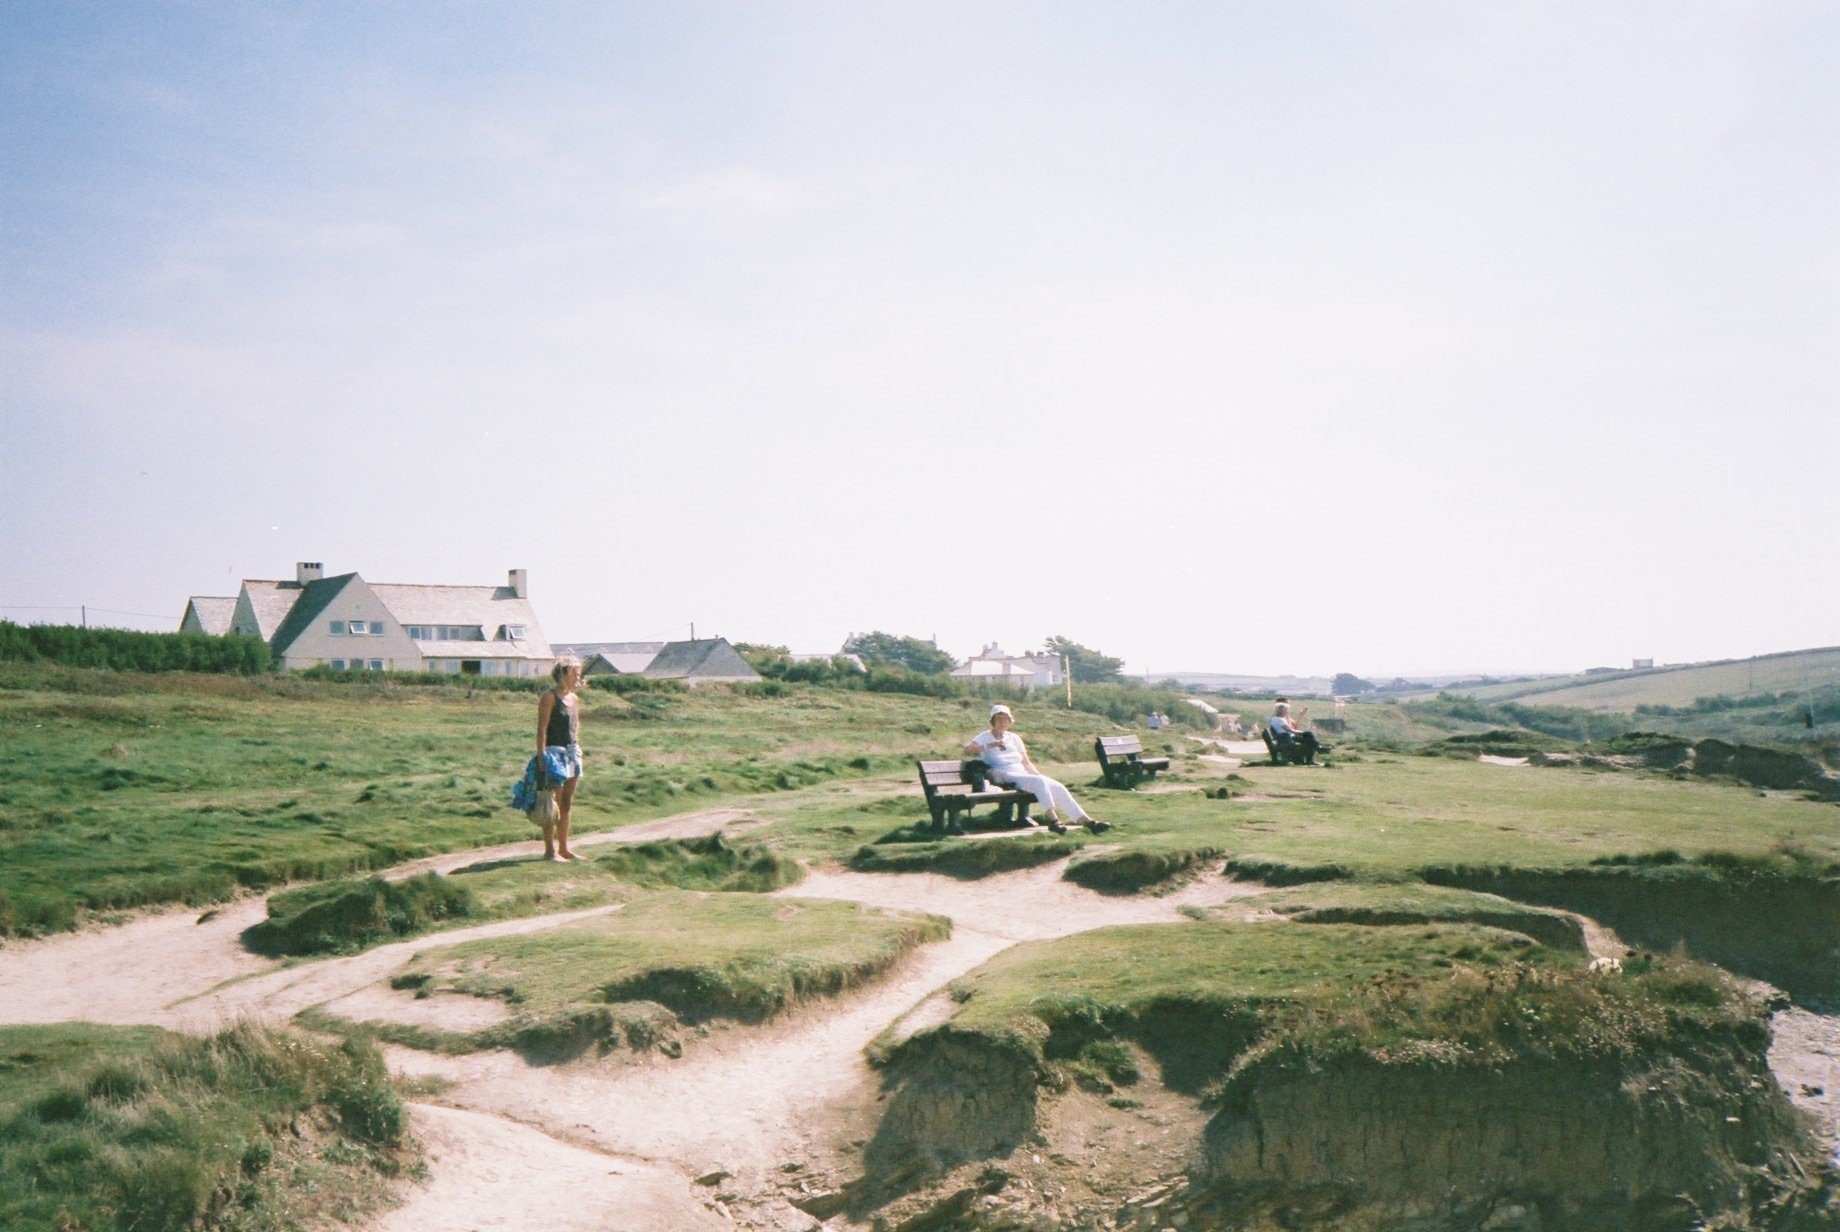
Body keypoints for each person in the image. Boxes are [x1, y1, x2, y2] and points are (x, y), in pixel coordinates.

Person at [965, 704, 1110, 834]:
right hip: (1002, 774)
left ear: (1010, 721)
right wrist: (990, 745)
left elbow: (1026, 762)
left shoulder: (1014, 738)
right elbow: (968, 749)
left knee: (1057, 786)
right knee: (1039, 782)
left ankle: (1086, 821)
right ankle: (1053, 821)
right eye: (999, 719)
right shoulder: (985, 736)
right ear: (993, 720)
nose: (1002, 722)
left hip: (1020, 773)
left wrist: (1038, 776)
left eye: (1005, 719)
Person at [536, 659, 586, 861]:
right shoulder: (549, 697)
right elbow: (541, 729)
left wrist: (576, 749)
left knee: (566, 803)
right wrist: (541, 757)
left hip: (572, 753)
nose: (578, 678)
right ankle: (550, 851)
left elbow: (576, 725)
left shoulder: (574, 699)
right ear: (563, 673)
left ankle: (564, 848)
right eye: (575, 673)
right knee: (552, 803)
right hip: (553, 754)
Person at [1266, 699, 1323, 765]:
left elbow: (1294, 726)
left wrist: (1300, 715)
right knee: (1310, 738)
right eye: (1287, 710)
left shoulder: (1275, 718)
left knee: (1310, 739)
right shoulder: (1281, 720)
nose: (1288, 712)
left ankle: (1316, 748)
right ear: (1283, 711)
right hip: (1287, 738)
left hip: (1286, 737)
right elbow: (1290, 730)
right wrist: (1303, 732)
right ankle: (1315, 752)